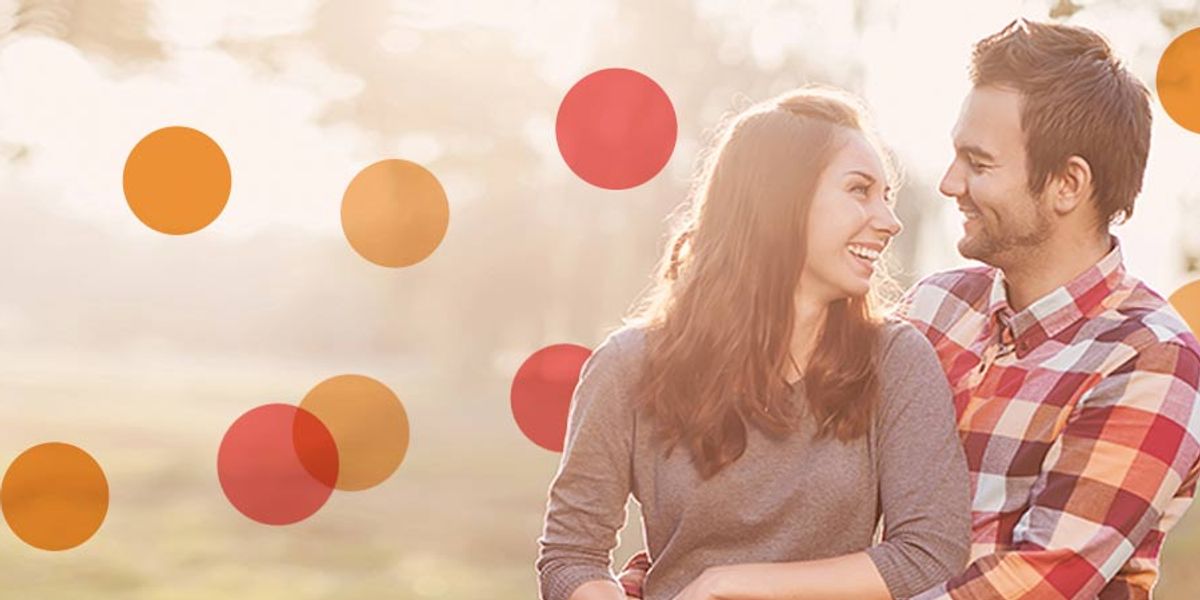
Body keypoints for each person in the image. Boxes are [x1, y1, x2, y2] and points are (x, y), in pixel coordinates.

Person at [618, 18, 1200, 600]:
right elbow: (785, 480)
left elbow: (1030, 585)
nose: (951, 183)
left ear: (1067, 184)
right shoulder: (935, 308)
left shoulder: (1151, 361)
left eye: (979, 162)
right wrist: (671, 577)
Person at [536, 86, 971, 600]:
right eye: (859, 190)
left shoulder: (896, 361)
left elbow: (929, 553)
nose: (889, 221)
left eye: (887, 197)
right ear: (779, 199)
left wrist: (730, 584)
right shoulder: (628, 365)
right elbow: (572, 553)